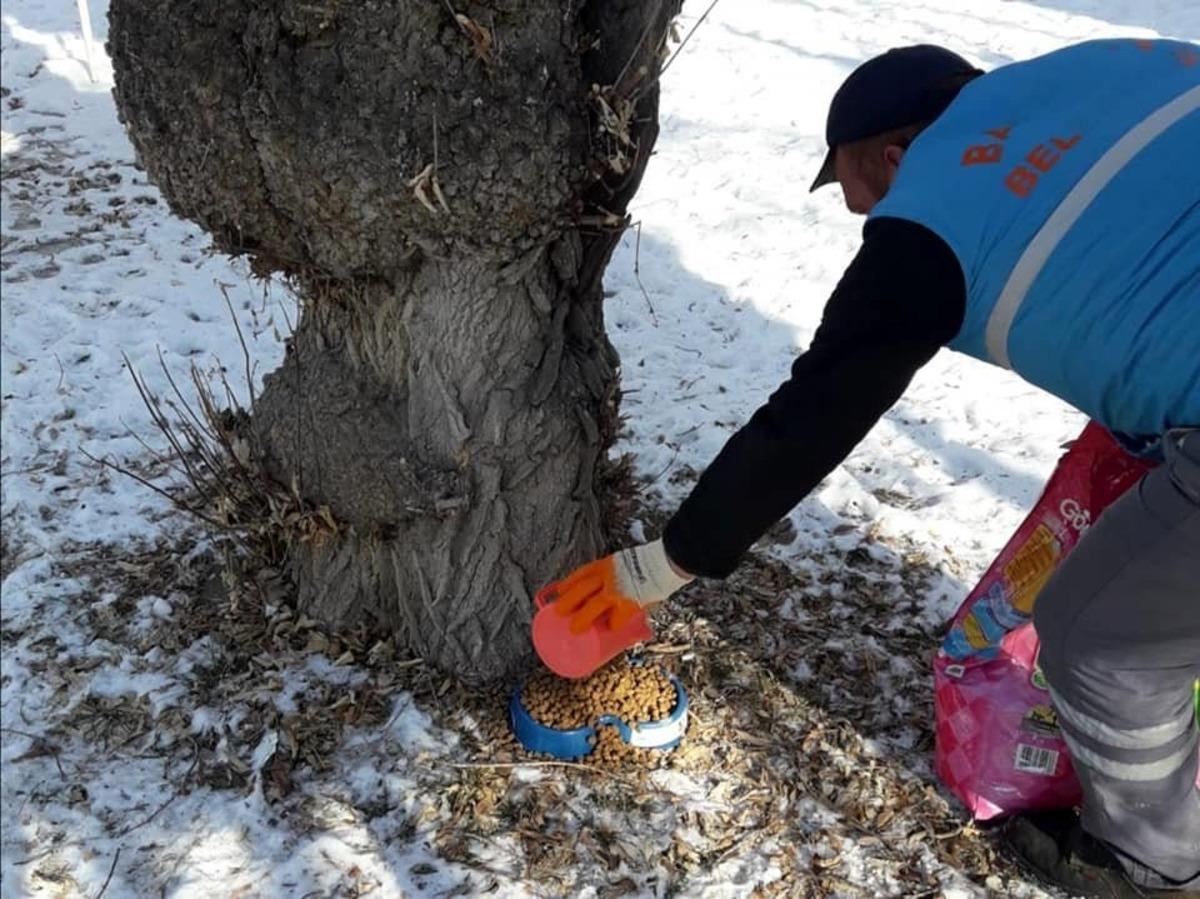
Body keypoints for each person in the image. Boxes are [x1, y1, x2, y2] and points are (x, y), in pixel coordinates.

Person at [548, 39, 1200, 898]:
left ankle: (1153, 863)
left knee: (1096, 638)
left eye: (853, 185)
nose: (860, 212)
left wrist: (667, 561)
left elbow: (814, 414)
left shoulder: (927, 221)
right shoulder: (1092, 66)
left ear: (894, 153)